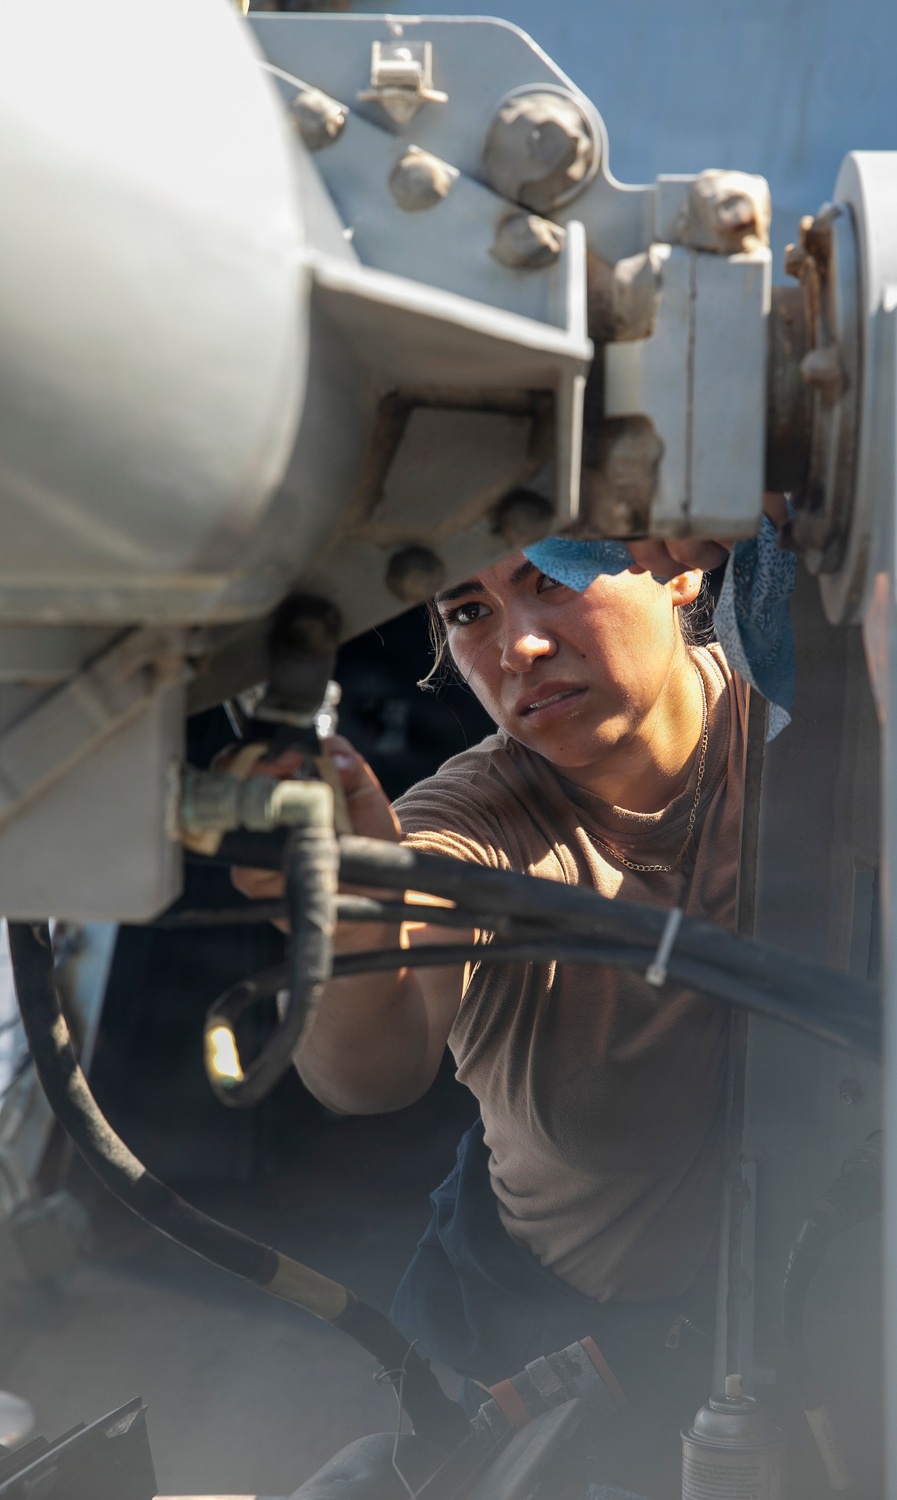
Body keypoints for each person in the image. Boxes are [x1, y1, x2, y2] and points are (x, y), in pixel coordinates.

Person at [235, 525, 775, 1498]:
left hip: (803, 1313)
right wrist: (355, 924)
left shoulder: (790, 732)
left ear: (677, 567)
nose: (518, 643)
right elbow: (367, 1073)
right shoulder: (471, 826)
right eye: (470, 612)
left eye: (553, 579)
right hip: (557, 1346)